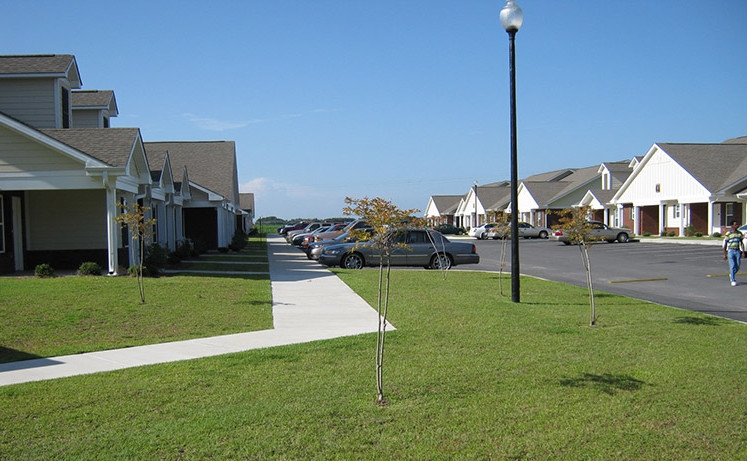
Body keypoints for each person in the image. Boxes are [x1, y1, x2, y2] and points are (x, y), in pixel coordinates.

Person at [722, 220, 745, 286]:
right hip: (731, 251)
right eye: (735, 225)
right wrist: (724, 254)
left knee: (738, 265)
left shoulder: (739, 233)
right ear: (732, 226)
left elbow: (741, 243)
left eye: (737, 224)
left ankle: (732, 274)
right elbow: (725, 244)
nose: (737, 226)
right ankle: (733, 279)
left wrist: (743, 252)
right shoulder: (728, 234)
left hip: (737, 250)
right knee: (732, 266)